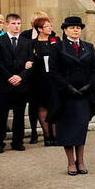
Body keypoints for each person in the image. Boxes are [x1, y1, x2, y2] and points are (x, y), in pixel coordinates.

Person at [50, 15, 95, 175]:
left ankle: (81, 161)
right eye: (72, 28)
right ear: (65, 30)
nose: (75, 30)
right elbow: (54, 72)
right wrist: (69, 88)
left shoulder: (89, 46)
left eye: (78, 28)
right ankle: (71, 162)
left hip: (84, 95)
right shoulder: (57, 48)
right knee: (67, 129)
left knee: (80, 128)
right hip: (66, 96)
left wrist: (89, 86)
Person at [0, 13, 33, 151]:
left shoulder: (26, 42)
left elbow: (30, 63)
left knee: (19, 115)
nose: (16, 26)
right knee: (0, 115)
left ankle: (17, 142)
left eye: (19, 23)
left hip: (21, 85)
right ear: (7, 24)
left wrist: (21, 76)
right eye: (13, 23)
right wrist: (10, 77)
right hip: (3, 84)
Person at [28, 16, 58, 146]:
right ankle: (47, 136)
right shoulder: (32, 44)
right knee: (42, 107)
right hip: (39, 80)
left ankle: (56, 135)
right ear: (39, 29)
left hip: (54, 79)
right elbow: (29, 59)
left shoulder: (56, 40)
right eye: (46, 26)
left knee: (55, 106)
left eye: (50, 25)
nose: (50, 28)